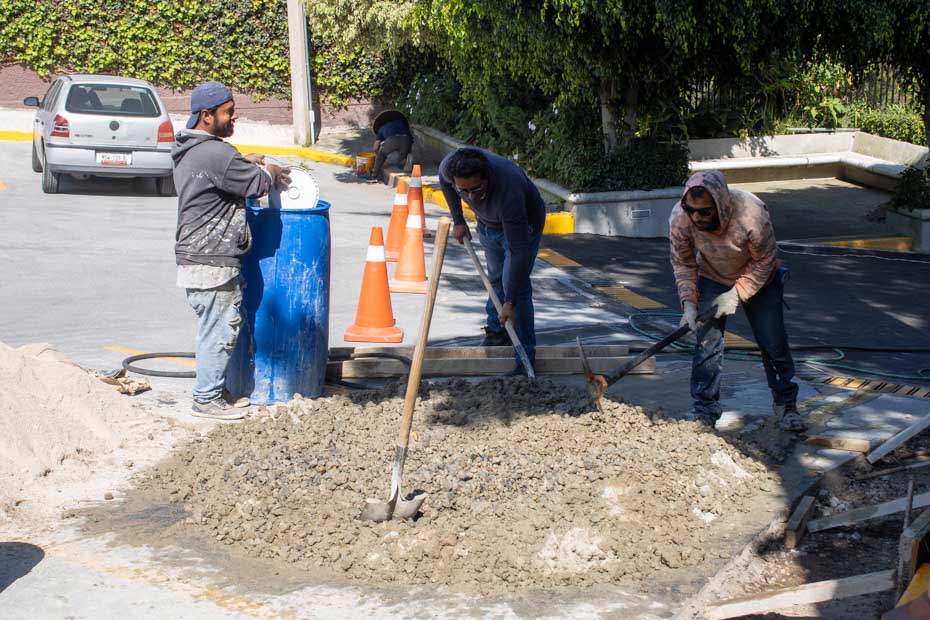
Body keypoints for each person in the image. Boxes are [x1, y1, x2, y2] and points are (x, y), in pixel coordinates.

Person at [173, 81, 290, 420]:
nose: (234, 115)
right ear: (206, 116)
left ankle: (213, 390)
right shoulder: (217, 154)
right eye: (228, 111)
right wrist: (270, 170)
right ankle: (207, 400)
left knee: (215, 327)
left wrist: (241, 160)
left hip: (194, 254)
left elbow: (221, 171)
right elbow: (256, 184)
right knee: (220, 329)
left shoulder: (190, 149)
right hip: (212, 259)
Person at [670, 170, 804, 432]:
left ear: (720, 204)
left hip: (759, 278)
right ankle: (705, 411)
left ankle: (786, 404)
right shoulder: (680, 218)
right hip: (711, 275)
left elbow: (765, 260)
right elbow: (683, 263)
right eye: (692, 210)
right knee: (707, 344)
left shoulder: (751, 214)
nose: (697, 217)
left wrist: (736, 293)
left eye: (705, 212)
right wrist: (689, 303)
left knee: (772, 341)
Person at [439, 147, 547, 375]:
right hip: (487, 224)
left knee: (516, 288)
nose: (471, 197)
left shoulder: (509, 191)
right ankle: (499, 334)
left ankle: (525, 359)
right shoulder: (450, 168)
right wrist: (458, 220)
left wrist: (509, 302)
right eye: (464, 191)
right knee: (496, 277)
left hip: (522, 226)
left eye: (476, 189)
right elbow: (444, 182)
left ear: (487, 177)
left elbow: (518, 252)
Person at [371, 110, 412, 181]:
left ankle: (374, 175)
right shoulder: (401, 122)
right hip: (406, 139)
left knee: (381, 154)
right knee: (400, 162)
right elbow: (411, 138)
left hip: (392, 139)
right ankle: (407, 160)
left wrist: (379, 158)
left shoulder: (381, 128)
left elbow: (376, 147)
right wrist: (409, 151)